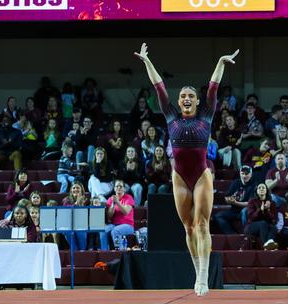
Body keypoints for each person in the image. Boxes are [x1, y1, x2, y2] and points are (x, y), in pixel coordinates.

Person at [135, 42, 238, 296]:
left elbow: (213, 88)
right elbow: (159, 87)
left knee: (203, 224)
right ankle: (196, 271)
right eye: (183, 96)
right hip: (180, 177)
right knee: (189, 228)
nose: (187, 98)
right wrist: (148, 62)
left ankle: (203, 277)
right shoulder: (170, 116)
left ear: (196, 100)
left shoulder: (207, 115)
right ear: (179, 102)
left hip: (202, 175)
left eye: (191, 95)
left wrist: (220, 63)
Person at [214, 165, 256, 234]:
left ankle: (246, 234)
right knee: (218, 216)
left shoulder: (254, 185)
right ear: (240, 174)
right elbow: (227, 197)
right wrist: (229, 200)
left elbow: (250, 204)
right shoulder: (236, 182)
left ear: (251, 174)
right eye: (242, 173)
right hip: (234, 210)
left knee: (244, 211)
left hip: (246, 211)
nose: (244, 176)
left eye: (247, 174)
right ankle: (232, 235)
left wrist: (235, 202)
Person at [99, 180, 135, 250]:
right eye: (117, 186)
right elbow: (109, 217)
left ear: (124, 188)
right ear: (114, 188)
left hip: (128, 225)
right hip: (114, 224)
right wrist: (112, 205)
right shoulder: (110, 199)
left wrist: (118, 202)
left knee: (115, 231)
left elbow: (126, 212)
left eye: (121, 186)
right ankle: (104, 252)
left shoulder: (128, 198)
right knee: (102, 230)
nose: (119, 188)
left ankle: (120, 252)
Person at [245, 183, 278, 250]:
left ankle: (269, 243)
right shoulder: (252, 201)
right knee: (263, 223)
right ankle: (265, 244)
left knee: (274, 227)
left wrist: (267, 211)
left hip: (266, 225)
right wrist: (260, 210)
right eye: (259, 188)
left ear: (266, 190)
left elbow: (274, 220)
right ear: (256, 191)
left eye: (263, 187)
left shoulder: (272, 203)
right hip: (252, 226)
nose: (261, 189)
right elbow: (250, 217)